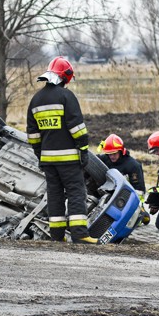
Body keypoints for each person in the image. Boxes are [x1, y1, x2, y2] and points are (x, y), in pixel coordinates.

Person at [27, 57, 98, 244]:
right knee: (76, 193)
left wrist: (40, 155)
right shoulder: (66, 96)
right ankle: (80, 234)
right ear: (65, 76)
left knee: (55, 196)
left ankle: (57, 237)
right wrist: (83, 150)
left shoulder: (35, 100)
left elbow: (33, 135)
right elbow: (77, 129)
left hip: (48, 161)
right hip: (69, 159)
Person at [97, 134, 151, 226]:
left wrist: (133, 206)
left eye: (114, 153)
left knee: (130, 222)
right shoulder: (105, 158)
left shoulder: (133, 165)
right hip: (107, 194)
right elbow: (92, 162)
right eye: (109, 154)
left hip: (125, 197)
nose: (112, 156)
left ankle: (142, 214)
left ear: (121, 151)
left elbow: (139, 191)